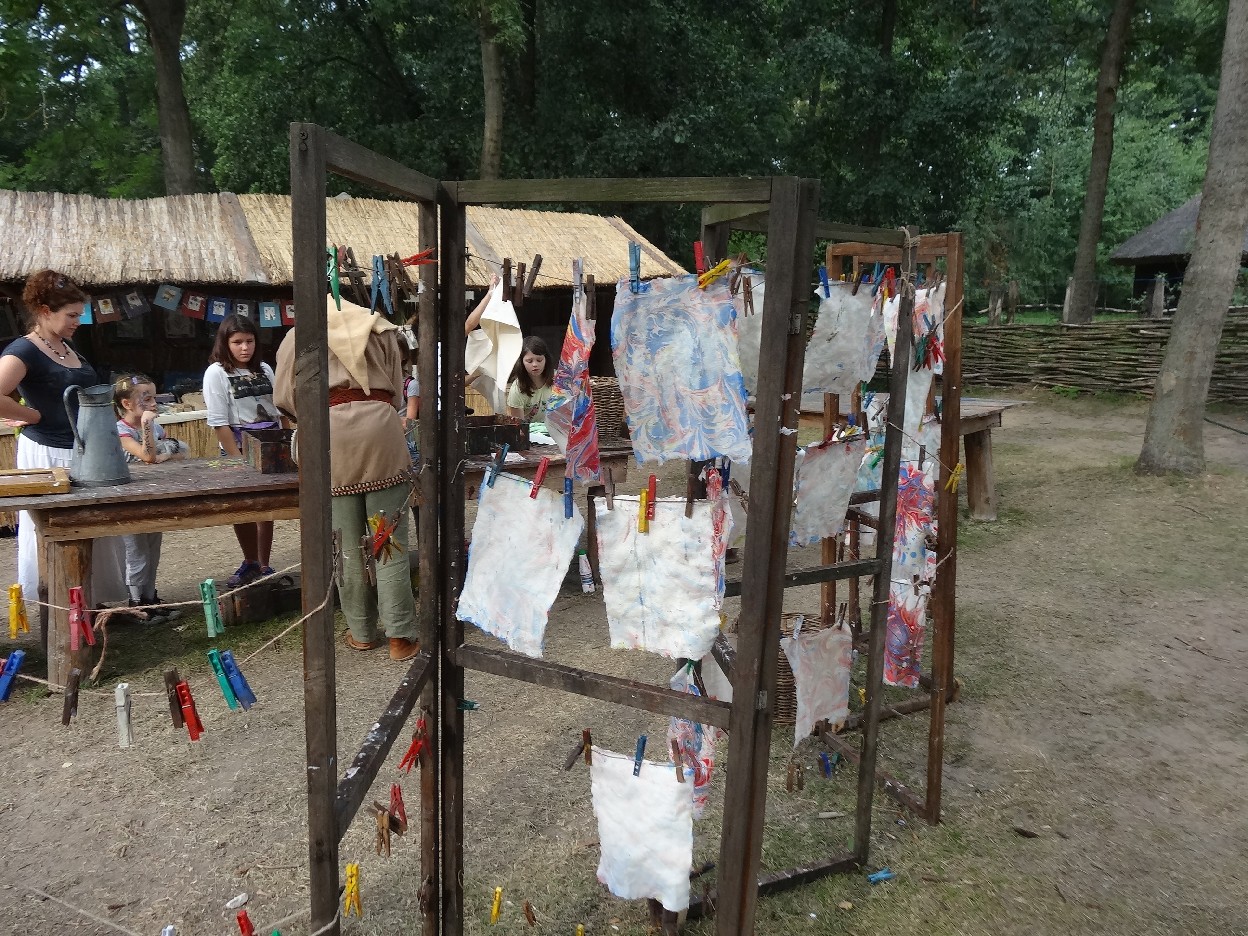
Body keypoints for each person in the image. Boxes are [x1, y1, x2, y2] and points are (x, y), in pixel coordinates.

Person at [274, 296, 419, 661]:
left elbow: (285, 395)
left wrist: (315, 413)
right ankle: (400, 638)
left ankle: (362, 633)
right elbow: (397, 388)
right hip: (381, 432)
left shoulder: (299, 335)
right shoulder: (380, 328)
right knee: (387, 541)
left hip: (329, 437)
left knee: (345, 544)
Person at [0, 270, 127, 605]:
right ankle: (62, 605)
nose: (78, 322)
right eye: (71, 315)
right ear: (45, 311)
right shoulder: (23, 350)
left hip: (82, 450)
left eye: (79, 314)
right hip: (47, 454)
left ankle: (94, 604)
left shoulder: (65, 346)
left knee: (95, 528)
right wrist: (33, 415)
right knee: (59, 531)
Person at [203, 313, 277, 586]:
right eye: (237, 342)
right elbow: (219, 422)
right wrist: (237, 459)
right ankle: (251, 560)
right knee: (244, 506)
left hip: (270, 441)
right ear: (225, 343)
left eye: (249, 341)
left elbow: (278, 409)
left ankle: (265, 563)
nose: (245, 348)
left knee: (267, 507)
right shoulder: (217, 373)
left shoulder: (265, 369)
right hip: (238, 443)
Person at [112, 373, 188, 623]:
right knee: (136, 552)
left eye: (154, 397)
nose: (154, 403)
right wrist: (146, 427)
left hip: (152, 495)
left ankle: (150, 598)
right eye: (147, 399)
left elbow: (180, 451)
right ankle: (136, 603)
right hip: (129, 501)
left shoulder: (155, 427)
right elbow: (147, 456)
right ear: (127, 404)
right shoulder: (120, 431)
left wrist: (163, 454)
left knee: (152, 549)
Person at [506, 335, 554, 421]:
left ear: (546, 359)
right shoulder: (517, 389)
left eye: (539, 360)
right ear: (521, 362)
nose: (535, 364)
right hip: (528, 429)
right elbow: (518, 425)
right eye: (529, 361)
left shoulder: (559, 380)